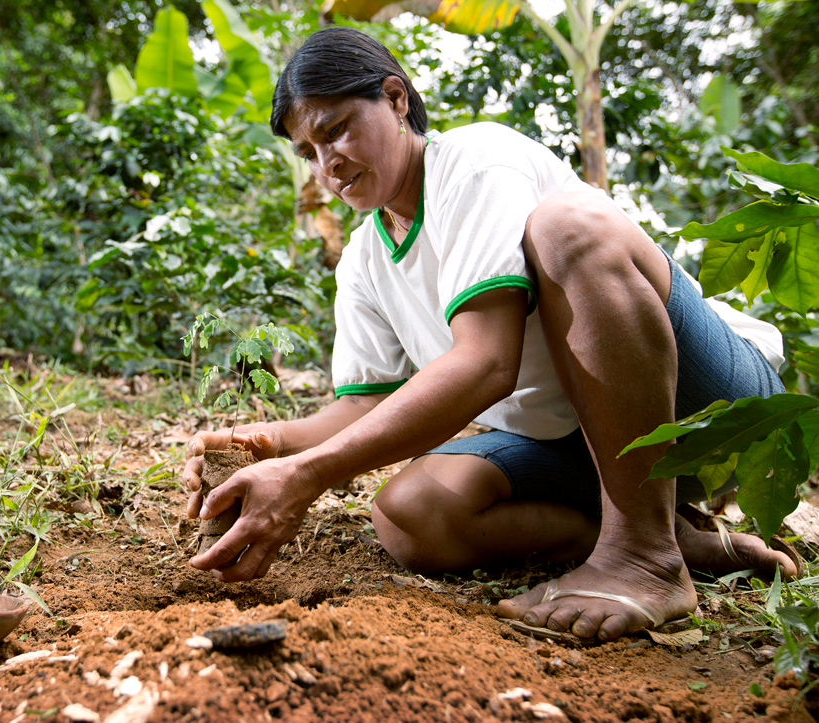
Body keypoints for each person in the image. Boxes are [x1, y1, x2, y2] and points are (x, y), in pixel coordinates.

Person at [182, 26, 798, 643]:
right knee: (410, 514)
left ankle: (644, 554)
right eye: (308, 151)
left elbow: (487, 363)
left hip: (710, 406)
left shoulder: (475, 164)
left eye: (336, 128)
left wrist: (308, 476)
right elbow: (364, 406)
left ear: (396, 100)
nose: (328, 163)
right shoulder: (364, 259)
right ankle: (673, 537)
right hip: (587, 444)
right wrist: (269, 445)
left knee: (567, 226)